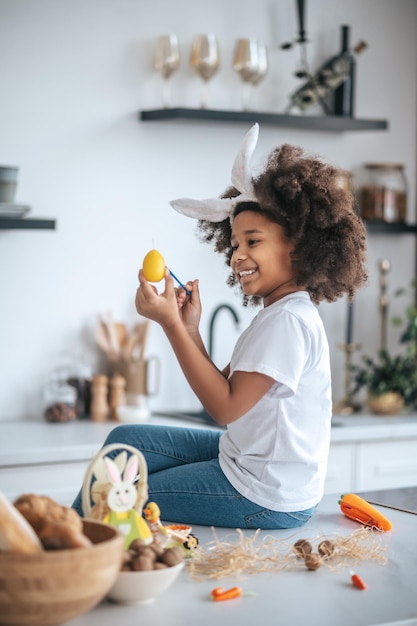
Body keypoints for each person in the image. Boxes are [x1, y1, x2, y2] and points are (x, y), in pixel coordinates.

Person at [72, 124, 367, 529]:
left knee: (116, 493)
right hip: (247, 464)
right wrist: (190, 329)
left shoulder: (288, 322)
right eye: (234, 244)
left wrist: (170, 324)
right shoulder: (279, 314)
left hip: (265, 495)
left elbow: (223, 408)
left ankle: (61, 551)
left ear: (297, 246)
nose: (236, 256)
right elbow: (227, 386)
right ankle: (69, 539)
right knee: (129, 444)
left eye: (252, 241)